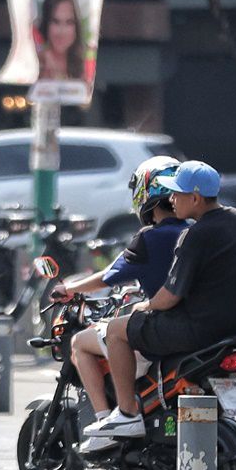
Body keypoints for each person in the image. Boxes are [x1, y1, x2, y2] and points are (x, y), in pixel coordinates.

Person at [81, 161, 236, 444]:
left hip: (200, 331)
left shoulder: (194, 235)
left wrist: (145, 306)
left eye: (177, 194)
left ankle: (127, 414)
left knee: (117, 330)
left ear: (195, 198)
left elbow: (171, 296)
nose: (171, 200)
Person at [51, 156, 188, 454]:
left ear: (145, 195)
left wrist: (68, 289)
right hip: (192, 331)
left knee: (80, 343)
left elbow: (108, 277)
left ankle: (109, 421)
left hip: (159, 333)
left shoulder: (150, 238)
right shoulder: (195, 232)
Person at [37, 0, 85, 81]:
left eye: (69, 22)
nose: (62, 32)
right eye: (55, 21)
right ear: (46, 24)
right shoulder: (33, 64)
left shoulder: (85, 67)